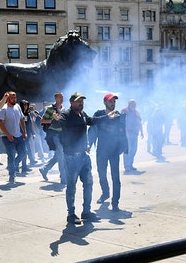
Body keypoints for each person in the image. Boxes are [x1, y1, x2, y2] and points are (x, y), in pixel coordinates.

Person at [56, 92, 109, 224]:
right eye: (79, 101)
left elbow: (92, 121)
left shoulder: (83, 115)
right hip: (71, 158)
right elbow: (59, 122)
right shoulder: (66, 115)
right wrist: (55, 119)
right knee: (71, 187)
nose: (81, 103)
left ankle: (86, 212)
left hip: (84, 157)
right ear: (72, 102)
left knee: (89, 184)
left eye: (82, 101)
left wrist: (107, 116)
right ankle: (71, 214)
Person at [89, 93, 127, 212]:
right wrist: (88, 144)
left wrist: (123, 147)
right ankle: (105, 193)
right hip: (102, 149)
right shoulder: (99, 114)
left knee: (115, 177)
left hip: (114, 150)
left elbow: (123, 132)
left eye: (114, 102)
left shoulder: (119, 116)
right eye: (111, 101)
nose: (113, 104)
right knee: (101, 173)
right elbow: (93, 128)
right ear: (105, 102)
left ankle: (115, 202)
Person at [0, 91, 27, 184]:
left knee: (23, 153)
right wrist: (8, 134)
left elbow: (22, 119)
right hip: (7, 136)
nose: (14, 99)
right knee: (11, 154)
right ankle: (12, 174)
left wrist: (25, 132)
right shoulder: (3, 109)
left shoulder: (17, 106)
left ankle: (13, 166)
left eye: (15, 97)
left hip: (18, 135)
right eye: (12, 97)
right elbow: (0, 122)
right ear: (8, 98)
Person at [39, 92, 66, 183]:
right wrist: (53, 120)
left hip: (63, 136)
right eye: (60, 97)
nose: (62, 99)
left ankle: (44, 169)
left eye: (62, 97)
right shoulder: (50, 109)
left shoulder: (64, 109)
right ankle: (63, 177)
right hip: (55, 135)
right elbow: (42, 120)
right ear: (55, 98)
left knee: (58, 155)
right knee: (61, 155)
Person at [121, 99, 143, 173]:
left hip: (135, 133)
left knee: (134, 150)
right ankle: (127, 166)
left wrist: (142, 131)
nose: (134, 105)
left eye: (134, 104)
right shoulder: (124, 111)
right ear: (129, 104)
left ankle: (130, 164)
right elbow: (121, 122)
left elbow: (139, 122)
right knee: (127, 150)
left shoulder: (136, 112)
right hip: (127, 133)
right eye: (132, 103)